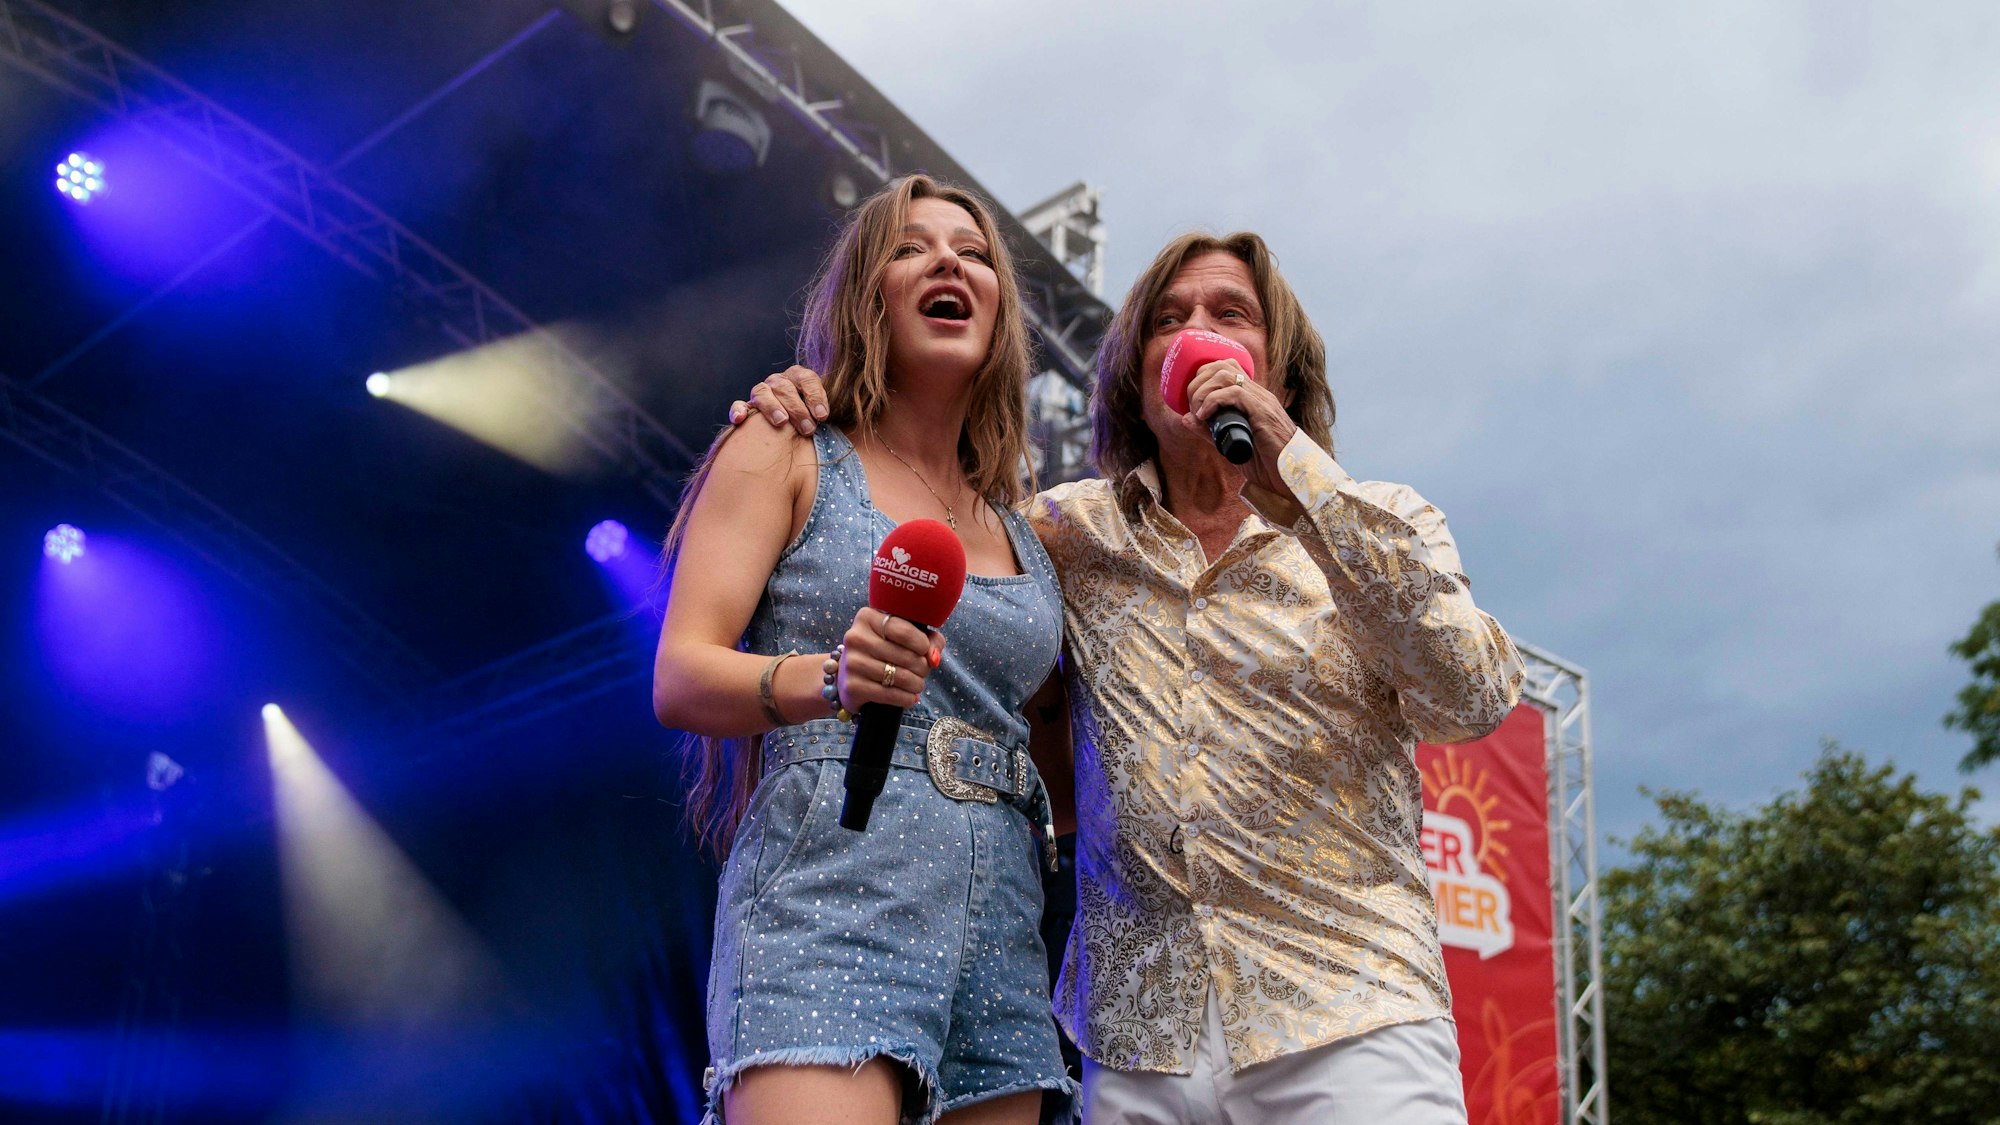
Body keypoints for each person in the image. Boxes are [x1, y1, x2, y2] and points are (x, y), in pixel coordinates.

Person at [734, 230, 1525, 1124]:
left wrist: (1298, 474)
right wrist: (818, 402)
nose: (1197, 330)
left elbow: (1472, 697)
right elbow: (930, 526)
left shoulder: (1379, 521)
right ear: (1135, 375)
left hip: (1349, 1008)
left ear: (1280, 367)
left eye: (1231, 313)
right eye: (1169, 318)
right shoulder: (1066, 534)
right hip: (1141, 1033)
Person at [654, 174, 1076, 1125]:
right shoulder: (787, 446)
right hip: (835, 891)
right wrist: (831, 679)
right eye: (912, 246)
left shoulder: (1028, 524)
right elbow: (681, 673)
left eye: (972, 253)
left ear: (1000, 309)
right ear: (863, 295)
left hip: (1003, 925)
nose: (948, 263)